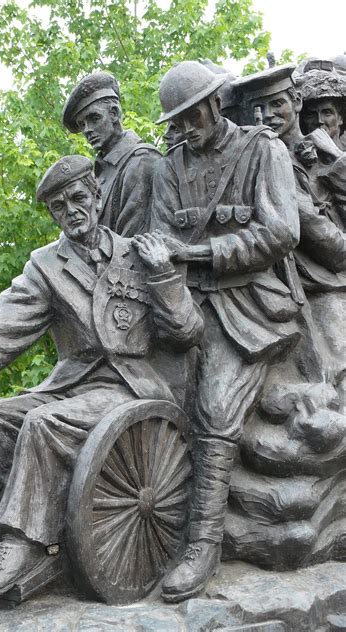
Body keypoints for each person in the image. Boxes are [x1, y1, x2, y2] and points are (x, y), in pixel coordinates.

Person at [0, 155, 203, 600]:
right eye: (60, 206)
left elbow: (187, 332)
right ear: (53, 214)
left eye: (79, 197)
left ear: (97, 196)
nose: (72, 210)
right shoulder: (45, 265)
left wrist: (163, 275)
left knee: (45, 425)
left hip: (130, 389)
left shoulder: (141, 254)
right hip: (70, 385)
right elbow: (5, 324)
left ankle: (22, 542)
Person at [150, 61, 301, 602]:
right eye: (178, 120)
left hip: (251, 307)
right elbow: (160, 234)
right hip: (186, 304)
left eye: (193, 115)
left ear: (216, 104)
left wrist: (199, 252)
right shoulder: (169, 169)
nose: (186, 127)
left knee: (214, 408)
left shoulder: (264, 151)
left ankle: (202, 545)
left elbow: (282, 230)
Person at [234, 64, 346, 390]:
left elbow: (322, 236)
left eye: (276, 104)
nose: (268, 115)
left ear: (296, 101)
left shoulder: (322, 149)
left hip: (327, 283)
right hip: (280, 286)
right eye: (259, 108)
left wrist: (331, 159)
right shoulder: (259, 157)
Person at [62, 72, 161, 236]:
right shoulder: (100, 172)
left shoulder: (141, 160)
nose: (87, 130)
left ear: (114, 113)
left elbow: (131, 240)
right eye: (82, 124)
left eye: (94, 118)